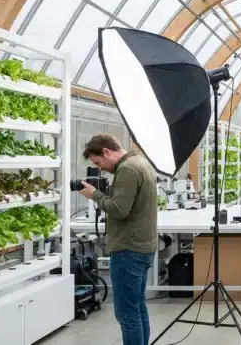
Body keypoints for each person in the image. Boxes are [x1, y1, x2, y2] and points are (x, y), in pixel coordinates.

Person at [77, 134, 157, 345]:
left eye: (98, 163)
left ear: (106, 151)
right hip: (143, 247)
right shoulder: (140, 162)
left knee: (126, 314)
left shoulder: (127, 169)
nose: (100, 168)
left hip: (128, 250)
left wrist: (94, 194)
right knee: (137, 306)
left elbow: (119, 210)